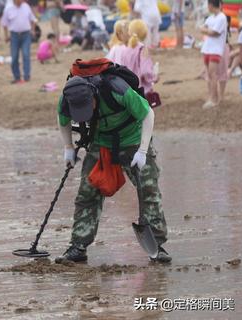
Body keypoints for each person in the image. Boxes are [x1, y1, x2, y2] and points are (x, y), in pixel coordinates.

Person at [55, 59, 171, 264]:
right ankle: (78, 246)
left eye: (87, 107)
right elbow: (62, 119)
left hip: (133, 138)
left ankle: (158, 246)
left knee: (148, 189)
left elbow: (148, 115)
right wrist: (68, 148)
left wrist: (143, 151)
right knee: (87, 193)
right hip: (100, 143)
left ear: (93, 95)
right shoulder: (67, 98)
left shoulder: (117, 89)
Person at [1, 0, 37, 83]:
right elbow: (4, 24)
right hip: (14, 35)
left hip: (26, 34)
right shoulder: (8, 9)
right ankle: (17, 77)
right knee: (14, 57)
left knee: (26, 55)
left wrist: (33, 30)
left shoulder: (26, 6)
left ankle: (26, 76)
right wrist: (6, 36)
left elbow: (33, 19)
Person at [120, 19, 158, 95]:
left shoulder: (125, 50)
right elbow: (145, 71)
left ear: (129, 33)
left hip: (128, 90)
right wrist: (154, 77)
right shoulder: (143, 49)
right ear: (145, 33)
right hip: (141, 91)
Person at [200, 0, 227, 109]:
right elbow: (206, 29)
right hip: (207, 49)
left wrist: (205, 30)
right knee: (210, 75)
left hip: (215, 50)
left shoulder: (222, 17)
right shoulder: (211, 18)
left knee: (213, 74)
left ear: (211, 5)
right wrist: (206, 30)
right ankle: (212, 97)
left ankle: (213, 99)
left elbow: (214, 33)